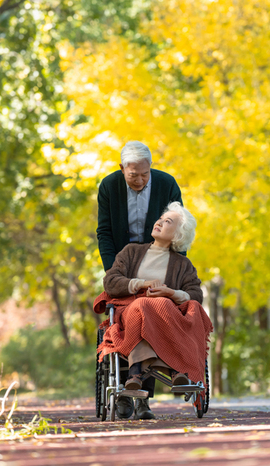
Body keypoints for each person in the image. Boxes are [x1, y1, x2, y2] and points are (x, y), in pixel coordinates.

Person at [96, 202, 211, 420]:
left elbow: (196, 294)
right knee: (143, 305)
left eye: (168, 221)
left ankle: (136, 374)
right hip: (131, 311)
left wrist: (171, 293)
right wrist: (140, 284)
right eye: (161, 218)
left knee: (160, 304)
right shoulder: (131, 252)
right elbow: (111, 281)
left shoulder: (182, 265)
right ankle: (174, 370)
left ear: (178, 234)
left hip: (165, 318)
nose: (159, 222)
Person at [97, 141, 183, 272]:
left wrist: (178, 269)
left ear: (150, 166)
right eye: (133, 175)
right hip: (122, 261)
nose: (139, 180)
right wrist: (111, 270)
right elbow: (104, 232)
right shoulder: (109, 186)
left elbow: (179, 229)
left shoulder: (167, 184)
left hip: (160, 261)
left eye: (145, 174)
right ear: (122, 168)